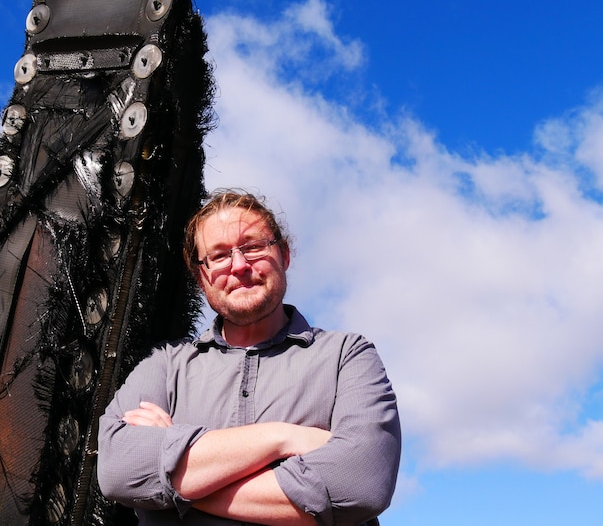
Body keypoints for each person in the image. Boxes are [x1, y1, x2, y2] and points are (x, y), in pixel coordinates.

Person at [97, 190, 401, 526]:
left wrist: (177, 477)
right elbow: (118, 470)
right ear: (201, 277)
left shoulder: (347, 356)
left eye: (254, 246)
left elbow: (360, 485)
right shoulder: (164, 365)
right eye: (219, 256)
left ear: (283, 254)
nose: (240, 265)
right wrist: (282, 438)